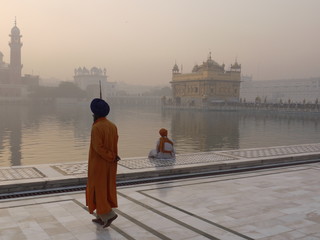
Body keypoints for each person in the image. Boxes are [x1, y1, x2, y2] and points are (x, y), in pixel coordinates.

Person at [86, 98, 120, 228]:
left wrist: (111, 156)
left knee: (98, 189)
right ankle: (100, 216)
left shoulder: (97, 127)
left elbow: (98, 147)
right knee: (104, 188)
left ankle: (108, 214)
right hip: (110, 164)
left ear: (95, 114)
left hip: (99, 163)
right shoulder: (112, 125)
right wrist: (113, 157)